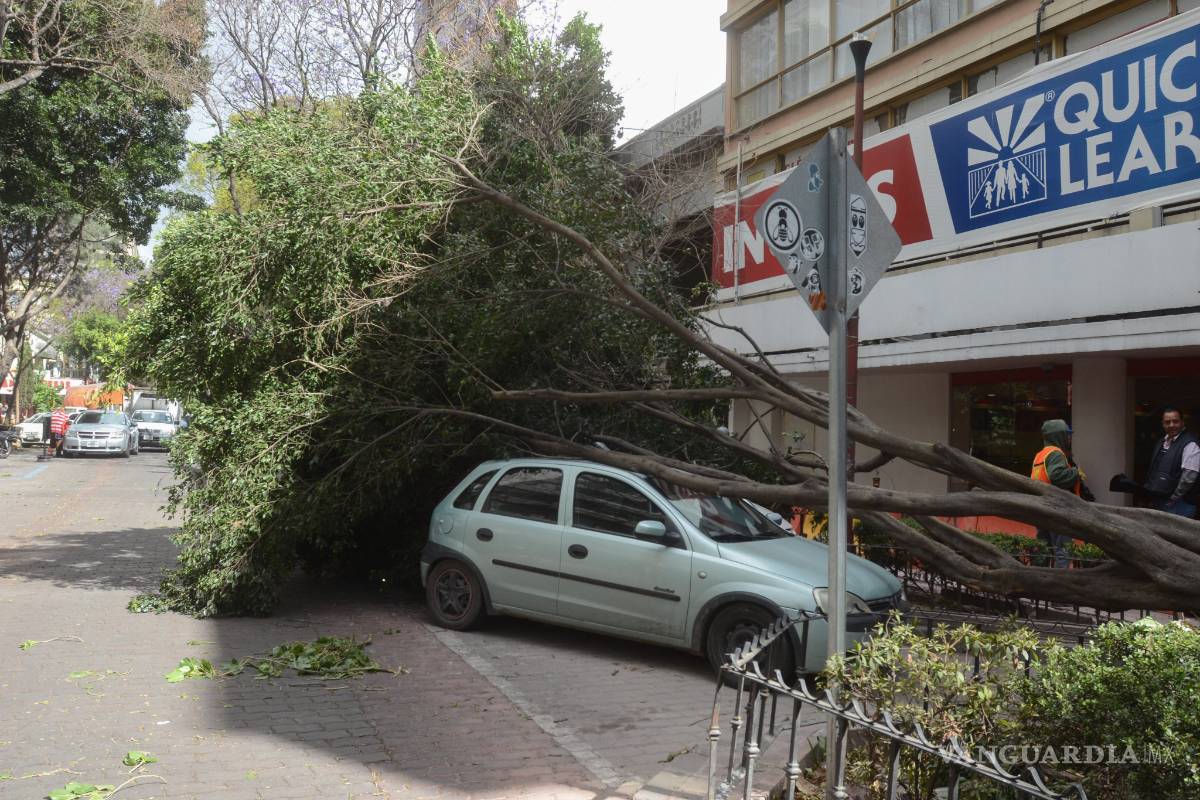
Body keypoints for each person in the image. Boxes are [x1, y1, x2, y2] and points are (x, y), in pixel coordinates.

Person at [1030, 419, 1084, 568]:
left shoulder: (1040, 455)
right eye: (1066, 435)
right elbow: (1057, 476)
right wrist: (1075, 473)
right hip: (1056, 510)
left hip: (1040, 508)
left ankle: (1039, 580)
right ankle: (1061, 584)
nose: (1069, 438)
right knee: (1062, 549)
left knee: (1043, 549)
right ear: (1058, 436)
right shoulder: (1056, 454)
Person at [1145, 405, 1198, 518]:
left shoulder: (1190, 443)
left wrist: (1173, 498)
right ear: (1162, 423)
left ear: (1182, 422)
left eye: (1175, 421)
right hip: (1160, 500)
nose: (1171, 425)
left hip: (1179, 503)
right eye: (1167, 422)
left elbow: (1188, 478)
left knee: (1176, 536)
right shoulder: (1162, 442)